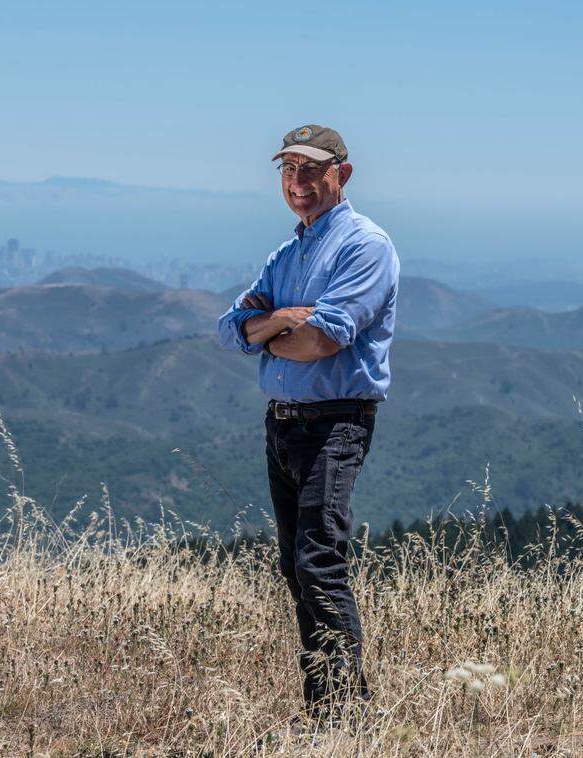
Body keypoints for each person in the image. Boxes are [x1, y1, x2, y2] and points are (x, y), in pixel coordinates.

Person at [216, 124, 400, 722]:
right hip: (284, 424)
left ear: (342, 175)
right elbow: (228, 329)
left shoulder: (364, 246)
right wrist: (278, 323)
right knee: (297, 565)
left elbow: (319, 343)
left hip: (336, 423)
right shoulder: (287, 253)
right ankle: (329, 708)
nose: (297, 183)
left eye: (310, 170)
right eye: (288, 170)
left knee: (319, 562)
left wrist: (267, 332)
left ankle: (345, 717)